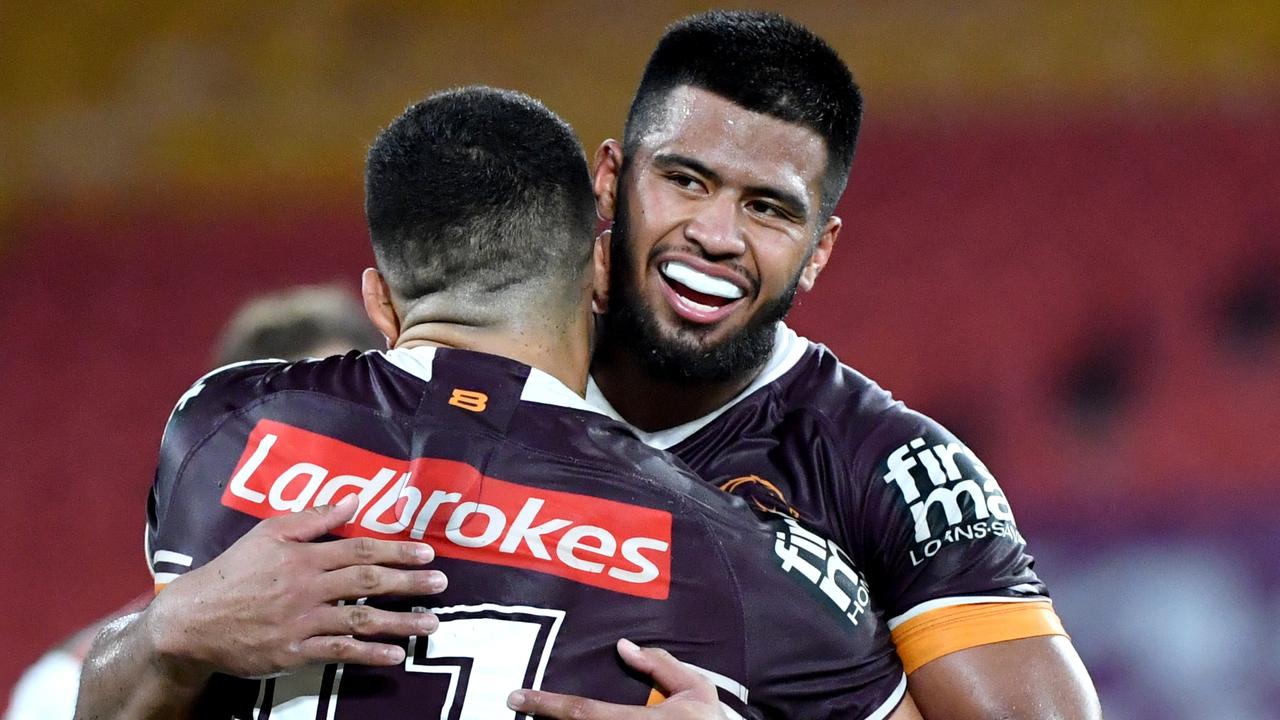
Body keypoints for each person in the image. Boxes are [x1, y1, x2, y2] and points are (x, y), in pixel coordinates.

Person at [74, 87, 920, 720]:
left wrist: (164, 632)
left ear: (379, 302)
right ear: (598, 275)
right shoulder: (746, 564)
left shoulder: (223, 426)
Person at [520, 10, 1102, 720]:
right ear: (610, 178)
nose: (716, 236)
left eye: (767, 209)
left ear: (819, 251)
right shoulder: (472, 362)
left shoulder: (894, 471)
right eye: (686, 181)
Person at [4, 284, 382, 720]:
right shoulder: (63, 689)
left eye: (352, 423)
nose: (331, 461)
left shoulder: (453, 630)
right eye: (300, 433)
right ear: (226, 443)